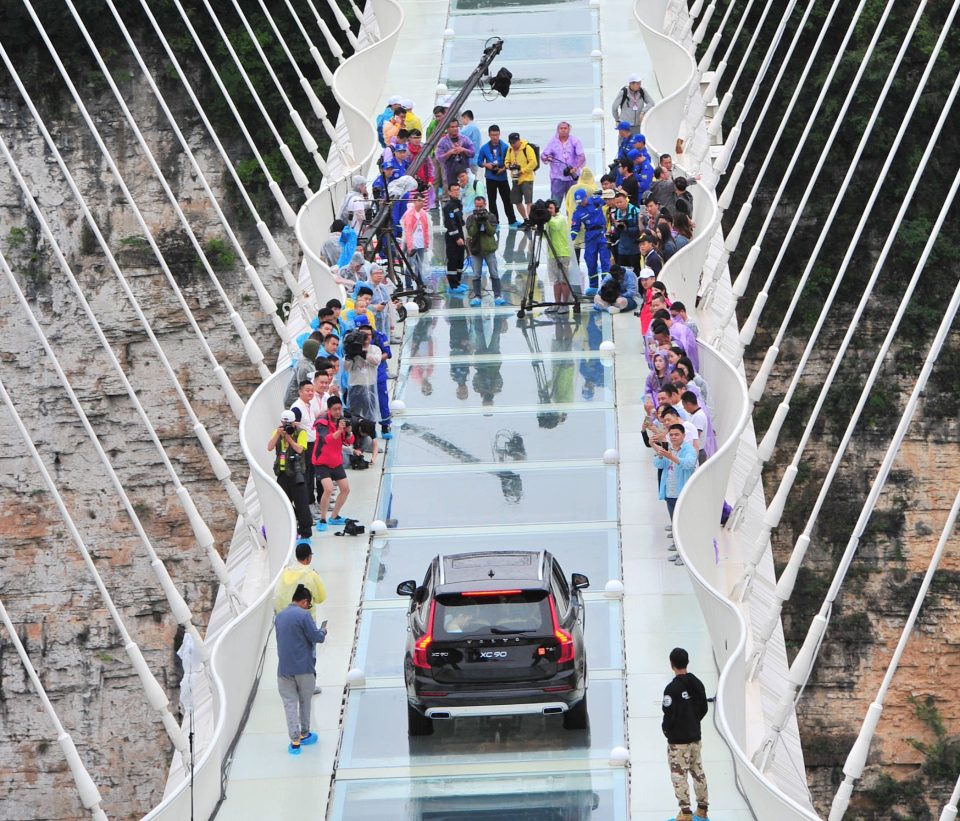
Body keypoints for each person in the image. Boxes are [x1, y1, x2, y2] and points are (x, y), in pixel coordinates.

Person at [275, 584, 328, 755]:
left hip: (284, 669)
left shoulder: (280, 616)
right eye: (309, 604)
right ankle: (305, 734)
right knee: (305, 701)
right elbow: (316, 637)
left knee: (289, 704)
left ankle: (295, 742)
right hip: (304, 667)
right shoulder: (304, 615)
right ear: (304, 602)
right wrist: (323, 631)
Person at [662, 647, 710, 820]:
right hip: (695, 737)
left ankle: (685, 813)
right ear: (687, 662)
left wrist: (667, 731)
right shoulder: (697, 683)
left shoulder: (671, 689)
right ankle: (702, 808)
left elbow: (669, 716)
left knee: (679, 775)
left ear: (672, 664)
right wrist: (693, 721)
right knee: (698, 771)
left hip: (678, 741)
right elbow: (703, 707)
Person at [311, 396, 354, 531]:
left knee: (345, 489)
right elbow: (326, 439)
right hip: (321, 461)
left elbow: (349, 442)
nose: (338, 412)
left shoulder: (342, 421)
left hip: (336, 461)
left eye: (340, 409)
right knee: (328, 489)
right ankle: (323, 519)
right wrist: (339, 430)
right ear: (329, 409)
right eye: (335, 409)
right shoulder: (321, 421)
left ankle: (334, 517)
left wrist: (348, 432)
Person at [269, 410, 312, 542]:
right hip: (282, 474)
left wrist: (289, 439)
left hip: (297, 474)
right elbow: (269, 447)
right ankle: (291, 528)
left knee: (302, 504)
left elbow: (300, 449)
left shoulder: (301, 432)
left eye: (289, 423)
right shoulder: (277, 432)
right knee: (284, 504)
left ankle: (305, 533)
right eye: (284, 422)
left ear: (294, 422)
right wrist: (278, 434)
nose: (286, 425)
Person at [652, 423, 698, 525]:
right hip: (670, 491)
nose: (673, 437)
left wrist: (671, 457)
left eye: (676, 434)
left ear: (683, 436)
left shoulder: (689, 450)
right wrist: (660, 456)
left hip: (683, 492)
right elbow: (659, 465)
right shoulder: (669, 448)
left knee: (684, 521)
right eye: (671, 435)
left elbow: (689, 464)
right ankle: (675, 537)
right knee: (674, 520)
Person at [465, 196, 504, 306]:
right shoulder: (471, 218)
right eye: (477, 207)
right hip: (476, 250)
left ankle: (498, 295)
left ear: (485, 204)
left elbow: (492, 232)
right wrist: (477, 223)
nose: (479, 209)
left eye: (481, 206)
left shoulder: (491, 216)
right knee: (476, 274)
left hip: (489, 249)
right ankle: (477, 296)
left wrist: (485, 221)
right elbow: (471, 233)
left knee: (494, 273)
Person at [570, 192, 609, 296]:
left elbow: (607, 200)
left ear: (586, 197)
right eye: (579, 202)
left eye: (583, 200)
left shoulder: (595, 200)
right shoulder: (577, 212)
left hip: (602, 233)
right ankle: (593, 286)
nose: (581, 203)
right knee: (590, 261)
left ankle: (606, 285)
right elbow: (575, 228)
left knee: (605, 260)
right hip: (590, 236)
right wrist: (571, 239)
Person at [477, 125, 517, 226]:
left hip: (502, 177)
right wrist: (487, 165)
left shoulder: (505, 147)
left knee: (507, 200)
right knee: (492, 201)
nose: (495, 137)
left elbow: (510, 162)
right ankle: (495, 222)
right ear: (489, 135)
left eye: (497, 135)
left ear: (499, 134)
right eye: (493, 135)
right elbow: (479, 161)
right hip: (490, 178)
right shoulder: (484, 148)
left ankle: (512, 220)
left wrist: (502, 169)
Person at [273, 543, 327, 617]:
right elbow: (320, 598)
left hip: (284, 618)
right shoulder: (311, 575)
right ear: (309, 557)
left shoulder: (285, 571)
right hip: (303, 620)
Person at [541, 121, 585, 203]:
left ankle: (571, 216)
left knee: (573, 203)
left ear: (569, 130)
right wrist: (547, 158)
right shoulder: (553, 142)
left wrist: (576, 168)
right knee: (555, 203)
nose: (563, 130)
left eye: (565, 128)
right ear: (558, 130)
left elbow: (581, 156)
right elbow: (543, 155)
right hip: (557, 177)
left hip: (572, 177)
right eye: (561, 128)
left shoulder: (575, 141)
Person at [543, 199, 573, 314]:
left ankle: (564, 304)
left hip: (562, 253)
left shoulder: (561, 218)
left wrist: (547, 218)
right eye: (547, 209)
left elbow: (555, 226)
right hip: (552, 254)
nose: (549, 211)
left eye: (550, 208)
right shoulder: (548, 221)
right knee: (556, 281)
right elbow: (544, 236)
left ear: (555, 207)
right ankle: (557, 303)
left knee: (563, 281)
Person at [505, 132, 537, 228]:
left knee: (528, 201)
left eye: (514, 143)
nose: (513, 145)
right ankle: (526, 219)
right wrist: (509, 166)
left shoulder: (527, 148)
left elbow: (533, 163)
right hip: (515, 179)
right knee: (517, 201)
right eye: (511, 143)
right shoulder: (510, 149)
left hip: (526, 178)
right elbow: (506, 161)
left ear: (519, 140)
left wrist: (522, 170)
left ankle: (531, 221)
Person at [436, 120, 476, 195]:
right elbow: (439, 158)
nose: (455, 128)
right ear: (447, 129)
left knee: (467, 195)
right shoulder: (443, 142)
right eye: (452, 127)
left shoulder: (465, 139)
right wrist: (449, 153)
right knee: (453, 196)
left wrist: (463, 149)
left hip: (465, 173)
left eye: (456, 126)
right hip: (451, 174)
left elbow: (473, 153)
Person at [400, 194, 430, 288]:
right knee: (410, 265)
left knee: (419, 265)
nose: (421, 203)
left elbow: (426, 230)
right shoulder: (409, 215)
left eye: (422, 201)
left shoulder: (423, 214)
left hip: (421, 244)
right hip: (412, 244)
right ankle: (408, 284)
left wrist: (426, 243)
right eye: (419, 200)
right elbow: (408, 232)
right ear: (414, 202)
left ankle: (419, 283)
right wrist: (410, 246)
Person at [608, 190, 642, 271]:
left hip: (634, 249)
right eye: (617, 203)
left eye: (621, 202)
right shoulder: (616, 213)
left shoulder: (635, 211)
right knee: (623, 273)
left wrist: (626, 229)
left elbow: (639, 230)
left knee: (635, 273)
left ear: (626, 200)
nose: (619, 204)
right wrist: (615, 229)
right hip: (622, 250)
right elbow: (617, 234)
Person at [444, 182, 468, 294]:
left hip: (460, 234)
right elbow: (450, 224)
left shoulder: (458, 203)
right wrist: (457, 237)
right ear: (449, 192)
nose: (456, 192)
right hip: (452, 237)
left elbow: (460, 221)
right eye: (454, 190)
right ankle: (453, 285)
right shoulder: (448, 206)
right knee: (453, 260)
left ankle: (458, 281)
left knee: (460, 260)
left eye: (458, 190)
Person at [459, 110, 482, 175]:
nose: (462, 121)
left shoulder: (470, 127)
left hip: (470, 159)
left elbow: (459, 135)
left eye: (462, 119)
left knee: (470, 179)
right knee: (473, 177)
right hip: (475, 158)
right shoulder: (476, 127)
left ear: (465, 117)